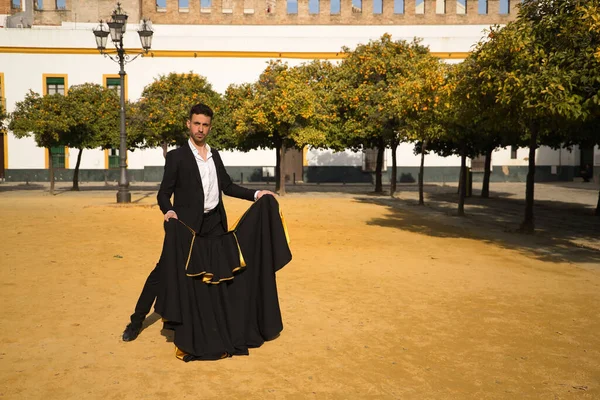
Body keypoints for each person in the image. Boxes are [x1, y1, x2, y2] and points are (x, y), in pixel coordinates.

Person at [122, 103, 276, 342]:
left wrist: (257, 194)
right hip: (185, 227)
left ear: (210, 127)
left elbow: (227, 186)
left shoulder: (215, 155)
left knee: (217, 273)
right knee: (162, 272)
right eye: (196, 124)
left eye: (205, 125)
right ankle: (135, 322)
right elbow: (164, 193)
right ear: (188, 124)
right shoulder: (176, 157)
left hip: (214, 223)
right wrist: (169, 210)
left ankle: (211, 325)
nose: (200, 129)